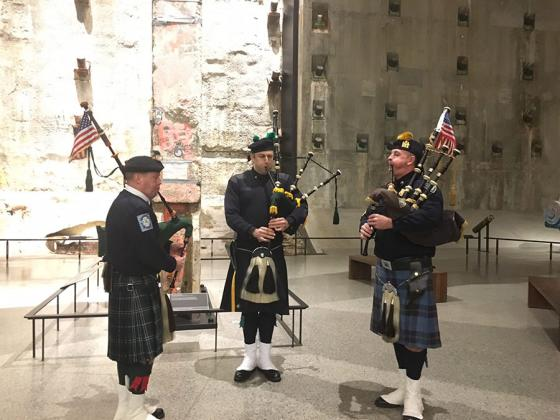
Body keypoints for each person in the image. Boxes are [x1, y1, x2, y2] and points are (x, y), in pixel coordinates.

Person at [359, 132, 443, 420]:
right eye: (392, 153)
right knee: (393, 329)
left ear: (410, 159)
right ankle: (404, 387)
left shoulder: (430, 190)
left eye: (395, 154)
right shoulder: (388, 187)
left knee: (414, 336)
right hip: (387, 268)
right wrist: (366, 225)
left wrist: (392, 223)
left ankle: (414, 396)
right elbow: (370, 211)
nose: (390, 158)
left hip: (414, 268)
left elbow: (428, 220)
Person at [220, 134, 308, 383]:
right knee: (249, 307)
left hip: (274, 252)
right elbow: (231, 215)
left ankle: (266, 357)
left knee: (269, 306)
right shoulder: (237, 183)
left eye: (270, 157)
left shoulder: (284, 181)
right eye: (261, 157)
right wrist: (252, 230)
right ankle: (249, 357)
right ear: (252, 158)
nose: (266, 161)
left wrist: (288, 220)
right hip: (247, 252)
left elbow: (302, 207)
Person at [106, 156, 184, 420]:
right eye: (156, 177)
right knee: (140, 355)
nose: (159, 182)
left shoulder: (126, 202)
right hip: (135, 286)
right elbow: (146, 252)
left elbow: (140, 242)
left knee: (128, 355)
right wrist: (172, 261)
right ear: (138, 178)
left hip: (125, 284)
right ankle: (135, 412)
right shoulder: (137, 208)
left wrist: (165, 247)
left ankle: (127, 409)